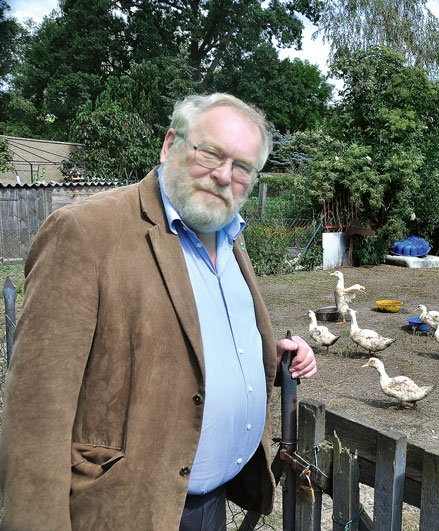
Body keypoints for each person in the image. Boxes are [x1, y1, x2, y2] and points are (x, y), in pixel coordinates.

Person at [0, 93, 317, 530]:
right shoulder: (85, 232)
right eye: (210, 153)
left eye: (243, 167)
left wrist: (271, 358)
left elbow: (190, 336)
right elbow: (35, 416)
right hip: (127, 508)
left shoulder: (227, 234)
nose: (224, 176)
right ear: (170, 144)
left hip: (213, 503)